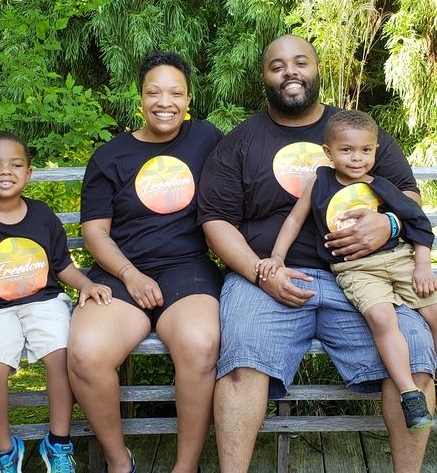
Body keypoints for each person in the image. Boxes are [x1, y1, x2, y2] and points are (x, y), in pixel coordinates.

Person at [198, 34, 436, 472]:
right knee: (242, 360)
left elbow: (407, 194)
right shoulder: (240, 142)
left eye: (300, 61)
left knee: (417, 353)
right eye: (277, 65)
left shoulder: (356, 132)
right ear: (264, 76)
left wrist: (390, 224)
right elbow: (215, 220)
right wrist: (260, 271)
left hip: (367, 274)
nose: (290, 71)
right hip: (267, 280)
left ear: (317, 68)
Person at [67, 51, 223, 473]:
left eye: (175, 93)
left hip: (187, 267)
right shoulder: (110, 156)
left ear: (188, 99)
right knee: (86, 353)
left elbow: (247, 174)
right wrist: (129, 275)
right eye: (154, 92)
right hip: (121, 269)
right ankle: (120, 462)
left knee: (200, 343)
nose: (164, 102)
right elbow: (95, 232)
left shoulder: (206, 138)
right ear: (140, 98)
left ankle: (185, 466)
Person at [0, 131, 112, 473]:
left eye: (16, 165)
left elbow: (61, 265)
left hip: (43, 301)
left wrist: (87, 284)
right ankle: (4, 452)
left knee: (61, 354)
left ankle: (58, 443)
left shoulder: (42, 215)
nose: (6, 171)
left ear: (28, 173)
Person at [256, 109, 436, 431]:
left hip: (399, 260)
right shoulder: (319, 182)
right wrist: (277, 257)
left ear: (375, 150)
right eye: (347, 150)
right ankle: (409, 393)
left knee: (434, 314)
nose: (357, 158)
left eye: (365, 150)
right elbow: (294, 220)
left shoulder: (381, 186)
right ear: (329, 152)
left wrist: (422, 265)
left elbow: (417, 222)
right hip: (357, 269)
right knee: (382, 318)